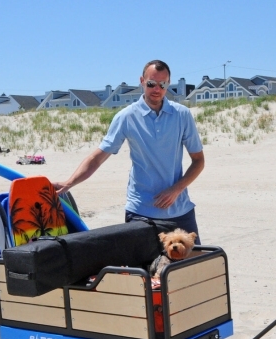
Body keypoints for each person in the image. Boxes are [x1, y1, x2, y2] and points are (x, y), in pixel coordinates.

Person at [54, 60, 205, 242]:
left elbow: (198, 161)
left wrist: (176, 189)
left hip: (180, 211)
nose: (157, 89)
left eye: (162, 84)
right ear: (142, 81)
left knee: (192, 267)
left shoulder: (182, 115)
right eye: (151, 83)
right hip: (141, 212)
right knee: (141, 270)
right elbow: (98, 157)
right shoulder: (126, 117)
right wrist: (69, 183)